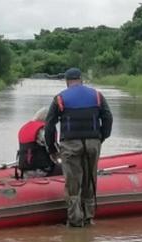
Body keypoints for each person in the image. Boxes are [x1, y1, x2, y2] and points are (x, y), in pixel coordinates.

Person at [44, 67, 113, 227]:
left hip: (70, 144)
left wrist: (52, 149)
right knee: (90, 180)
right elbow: (107, 117)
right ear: (81, 80)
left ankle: (75, 222)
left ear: (67, 81)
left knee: (73, 184)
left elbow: (49, 125)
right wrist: (101, 137)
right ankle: (88, 218)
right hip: (93, 143)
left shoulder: (60, 98)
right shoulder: (97, 95)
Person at [17, 107, 57, 179]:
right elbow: (53, 149)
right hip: (42, 170)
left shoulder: (25, 128)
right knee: (70, 168)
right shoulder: (43, 130)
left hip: (24, 169)